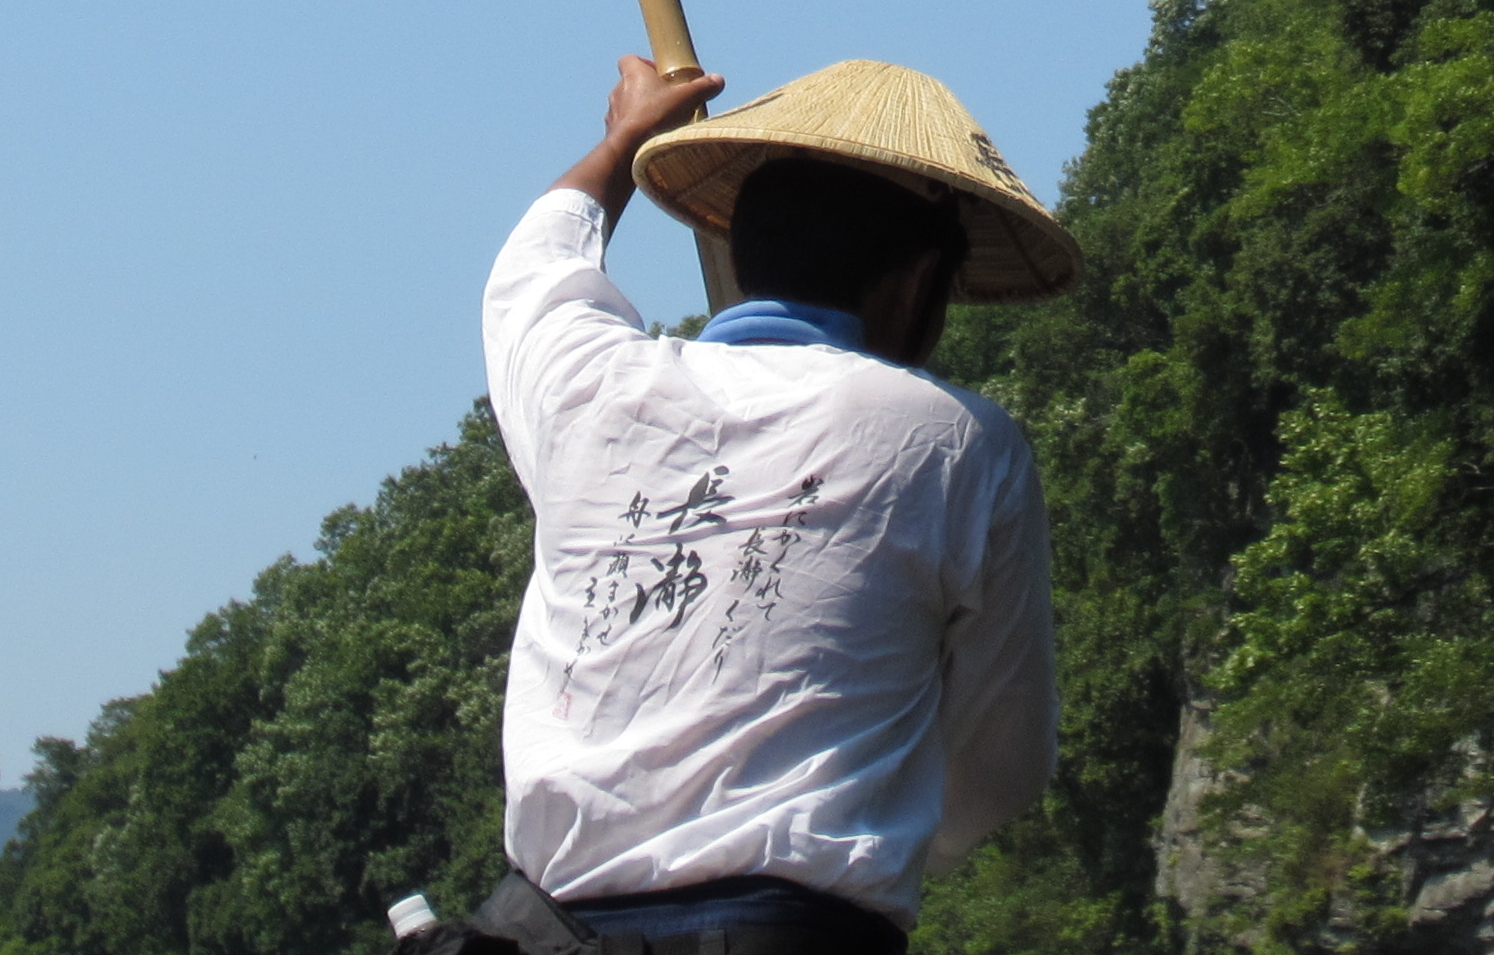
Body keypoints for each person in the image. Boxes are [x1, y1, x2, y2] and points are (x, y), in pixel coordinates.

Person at [446, 52, 1079, 955]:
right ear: (914, 284)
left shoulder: (593, 388)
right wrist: (891, 814)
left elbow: (532, 269)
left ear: (740, 256)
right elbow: (1000, 766)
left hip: (544, 930)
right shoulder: (961, 445)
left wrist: (623, 139)